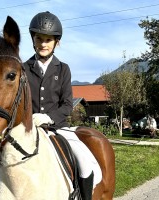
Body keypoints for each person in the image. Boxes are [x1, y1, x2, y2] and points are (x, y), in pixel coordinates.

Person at [23, 11, 101, 200]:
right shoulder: (23, 68)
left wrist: (48, 118)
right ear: (33, 39)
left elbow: (67, 105)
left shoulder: (63, 69)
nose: (43, 43)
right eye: (39, 38)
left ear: (56, 42)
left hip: (58, 128)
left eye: (48, 39)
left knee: (84, 162)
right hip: (30, 130)